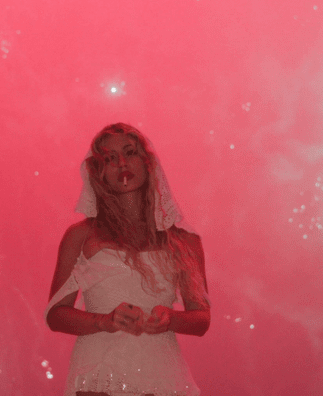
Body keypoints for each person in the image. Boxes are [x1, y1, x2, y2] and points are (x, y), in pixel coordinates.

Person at [44, 123, 212, 396]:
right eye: (110, 158)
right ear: (99, 173)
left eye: (130, 152)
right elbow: (56, 315)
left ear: (147, 162)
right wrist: (104, 321)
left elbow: (201, 318)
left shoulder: (184, 240)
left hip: (161, 377)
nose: (122, 163)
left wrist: (170, 319)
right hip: (99, 379)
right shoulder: (81, 236)